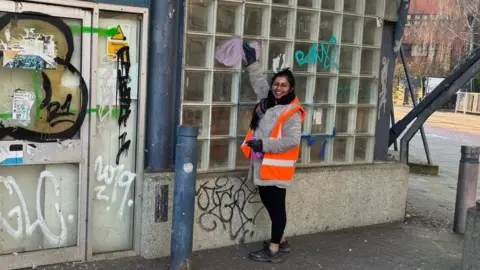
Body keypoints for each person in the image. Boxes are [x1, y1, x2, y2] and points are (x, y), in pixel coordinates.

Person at [240, 43, 305, 263]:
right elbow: (259, 82)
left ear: (291, 87)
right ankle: (282, 239)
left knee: (277, 209)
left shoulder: (292, 111)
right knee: (268, 203)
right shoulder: (269, 100)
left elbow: (292, 140)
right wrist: (252, 62)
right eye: (276, 84)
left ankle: (275, 249)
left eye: (283, 85)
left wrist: (264, 144)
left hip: (276, 167)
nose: (278, 88)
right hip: (263, 164)